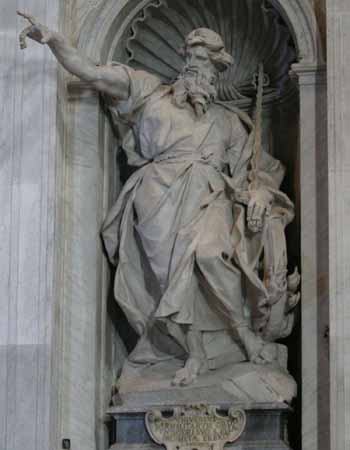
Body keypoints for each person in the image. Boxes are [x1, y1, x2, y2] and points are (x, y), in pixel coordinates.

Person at [18, 11, 295, 386]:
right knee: (168, 283)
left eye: (204, 63)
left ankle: (244, 333)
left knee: (211, 254)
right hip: (156, 199)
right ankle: (194, 354)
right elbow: (93, 73)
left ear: (217, 71)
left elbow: (257, 168)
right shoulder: (148, 90)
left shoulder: (227, 121)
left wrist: (261, 189)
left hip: (209, 194)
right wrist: (54, 41)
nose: (196, 69)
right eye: (191, 59)